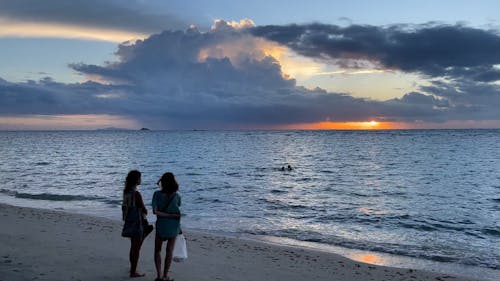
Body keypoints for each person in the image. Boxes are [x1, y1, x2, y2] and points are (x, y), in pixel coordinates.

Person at [152, 172, 182, 281]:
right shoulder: (177, 196)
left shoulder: (156, 194)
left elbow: (155, 212)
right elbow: (177, 211)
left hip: (161, 225)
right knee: (169, 251)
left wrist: (165, 215)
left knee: (157, 250)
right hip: (173, 226)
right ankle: (165, 275)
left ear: (162, 182)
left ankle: (159, 276)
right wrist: (171, 215)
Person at [122, 170, 152, 278]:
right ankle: (133, 272)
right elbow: (144, 209)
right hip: (137, 224)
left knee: (133, 247)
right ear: (136, 180)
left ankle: (132, 268)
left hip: (129, 222)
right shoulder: (136, 194)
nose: (141, 180)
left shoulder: (126, 192)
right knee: (137, 248)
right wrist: (144, 211)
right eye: (140, 178)